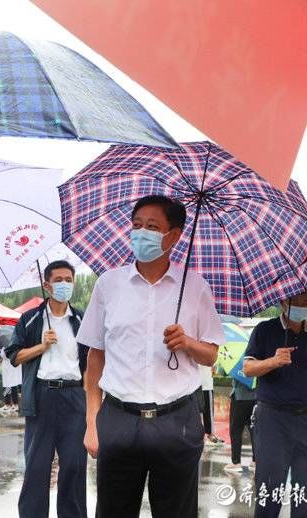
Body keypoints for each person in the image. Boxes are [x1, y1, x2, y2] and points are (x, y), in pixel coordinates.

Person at [77, 195, 225, 518]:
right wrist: (92, 421)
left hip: (177, 422)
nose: (141, 233)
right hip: (118, 418)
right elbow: (94, 357)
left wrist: (187, 342)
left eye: (152, 227)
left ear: (173, 236)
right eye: (137, 225)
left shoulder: (196, 287)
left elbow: (211, 355)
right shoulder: (109, 285)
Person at [5, 260, 88, 518]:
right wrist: (41, 347)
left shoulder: (81, 319)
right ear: (47, 285)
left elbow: (90, 361)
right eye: (59, 279)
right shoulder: (31, 320)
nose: (64, 284)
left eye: (69, 279)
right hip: (41, 396)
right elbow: (14, 355)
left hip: (74, 397)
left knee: (74, 466)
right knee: (37, 466)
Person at [243, 290, 307, 518]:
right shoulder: (264, 330)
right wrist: (273, 361)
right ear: (283, 301)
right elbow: (248, 369)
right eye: (299, 300)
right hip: (272, 419)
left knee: (306, 488)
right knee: (270, 487)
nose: (304, 304)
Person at [224, 379, 257, 473]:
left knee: (236, 430)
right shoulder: (259, 363)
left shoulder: (236, 363)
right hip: (256, 397)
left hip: (239, 397)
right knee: (254, 429)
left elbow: (222, 371)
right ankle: (256, 461)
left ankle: (236, 462)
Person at [199, 363, 224, 445]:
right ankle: (200, 436)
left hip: (206, 384)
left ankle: (210, 435)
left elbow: (213, 366)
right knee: (196, 412)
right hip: (197, 385)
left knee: (208, 412)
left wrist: (214, 367)